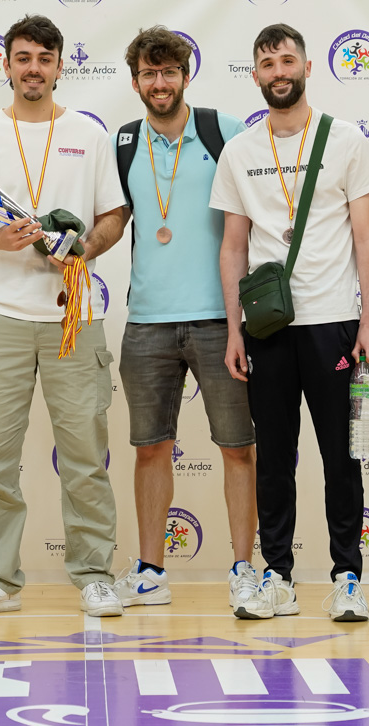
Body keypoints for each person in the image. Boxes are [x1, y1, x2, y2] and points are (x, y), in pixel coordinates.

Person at [0, 14, 127, 617]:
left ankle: (95, 573)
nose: (33, 68)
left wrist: (84, 249)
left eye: (44, 58)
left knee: (85, 457)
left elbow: (113, 214)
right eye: (23, 57)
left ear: (59, 66)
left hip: (73, 313)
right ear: (6, 64)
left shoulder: (89, 135)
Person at [210, 23, 369, 622]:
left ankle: (347, 579)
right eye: (268, 64)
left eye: (287, 61)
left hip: (334, 322)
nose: (278, 72)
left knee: (343, 455)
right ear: (255, 75)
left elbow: (365, 239)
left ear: (307, 67)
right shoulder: (240, 151)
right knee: (274, 458)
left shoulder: (347, 141)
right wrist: (234, 330)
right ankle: (278, 577)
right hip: (266, 329)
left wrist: (368, 320)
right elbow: (233, 247)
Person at [109, 26, 269, 619]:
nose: (160, 82)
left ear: (185, 75)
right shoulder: (123, 142)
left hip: (220, 321)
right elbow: (111, 218)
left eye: (169, 71)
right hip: (147, 321)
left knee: (238, 449)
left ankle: (244, 571)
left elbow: (259, 214)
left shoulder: (224, 131)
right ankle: (150, 572)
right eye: (149, 74)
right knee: (150, 449)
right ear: (135, 82)